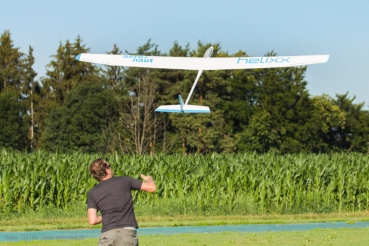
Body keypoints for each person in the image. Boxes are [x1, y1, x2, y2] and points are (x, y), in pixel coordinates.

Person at [87, 158, 156, 246]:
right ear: (107, 170)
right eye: (109, 166)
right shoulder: (125, 180)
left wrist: (106, 215)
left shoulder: (92, 193)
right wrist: (149, 179)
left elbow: (92, 220)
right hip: (128, 233)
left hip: (108, 235)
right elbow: (152, 188)